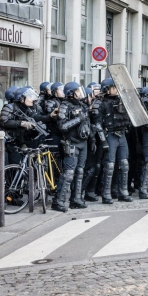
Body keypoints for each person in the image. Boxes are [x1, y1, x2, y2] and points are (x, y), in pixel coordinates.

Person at [95, 78, 133, 204]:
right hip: (110, 135)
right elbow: (97, 124)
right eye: (113, 87)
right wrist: (103, 141)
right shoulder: (100, 103)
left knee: (124, 165)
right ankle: (106, 194)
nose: (116, 89)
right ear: (107, 89)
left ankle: (123, 192)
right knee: (109, 166)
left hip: (122, 135)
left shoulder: (122, 101)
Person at [53, 83, 90, 212]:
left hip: (83, 142)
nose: (80, 93)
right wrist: (78, 119)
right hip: (71, 142)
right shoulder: (64, 106)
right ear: (70, 93)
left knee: (80, 172)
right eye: (77, 91)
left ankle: (76, 199)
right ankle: (58, 201)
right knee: (68, 173)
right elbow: (62, 126)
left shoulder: (82, 105)